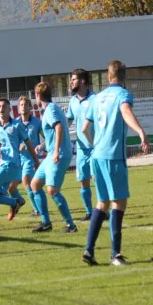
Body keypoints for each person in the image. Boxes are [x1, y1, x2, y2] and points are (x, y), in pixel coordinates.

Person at [81, 61, 149, 266]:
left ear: (109, 76)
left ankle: (89, 251)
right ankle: (115, 255)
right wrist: (140, 131)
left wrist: (96, 145)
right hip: (112, 156)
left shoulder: (97, 98)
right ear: (123, 76)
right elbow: (126, 111)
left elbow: (84, 129)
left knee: (102, 203)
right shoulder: (123, 95)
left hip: (97, 156)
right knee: (119, 202)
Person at [0, 98, 40, 229]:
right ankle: (16, 202)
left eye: (4, 106)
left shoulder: (17, 125)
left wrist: (36, 160)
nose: (1, 108)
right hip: (4, 164)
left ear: (10, 109)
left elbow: (28, 142)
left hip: (13, 165)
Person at [31, 82, 78, 233]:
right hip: (51, 153)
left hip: (59, 154)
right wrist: (43, 146)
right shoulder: (50, 109)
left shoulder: (50, 109)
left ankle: (71, 225)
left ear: (38, 96)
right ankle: (46, 223)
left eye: (35, 95)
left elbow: (58, 128)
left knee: (52, 190)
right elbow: (53, 132)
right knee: (35, 184)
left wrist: (56, 151)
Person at [66, 69, 96, 221]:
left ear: (83, 81)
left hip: (96, 148)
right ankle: (89, 212)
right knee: (83, 182)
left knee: (98, 180)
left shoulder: (95, 100)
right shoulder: (73, 101)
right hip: (81, 149)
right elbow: (68, 121)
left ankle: (103, 211)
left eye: (74, 79)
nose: (71, 82)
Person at [15, 95, 43, 217]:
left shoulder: (37, 122)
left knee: (26, 180)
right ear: (18, 107)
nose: (23, 107)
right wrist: (17, 146)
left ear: (30, 107)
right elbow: (12, 141)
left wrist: (41, 146)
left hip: (31, 158)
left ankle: (37, 210)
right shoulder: (15, 123)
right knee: (21, 185)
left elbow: (47, 138)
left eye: (26, 105)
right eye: (21, 105)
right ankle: (27, 204)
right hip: (18, 159)